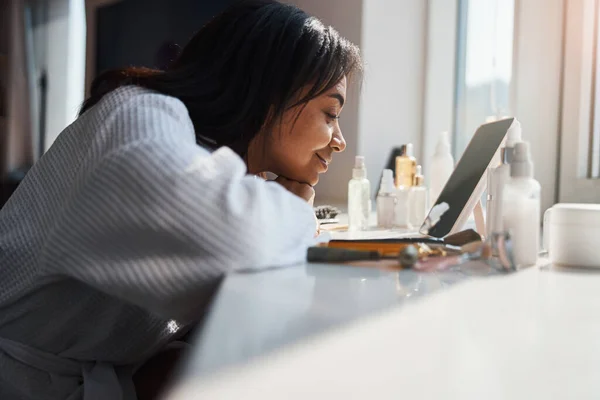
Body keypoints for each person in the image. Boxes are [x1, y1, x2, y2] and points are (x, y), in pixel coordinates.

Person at [0, 0, 362, 399]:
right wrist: (294, 210)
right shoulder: (137, 112)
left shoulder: (212, 157)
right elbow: (231, 241)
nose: (340, 141)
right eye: (330, 114)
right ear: (269, 91)